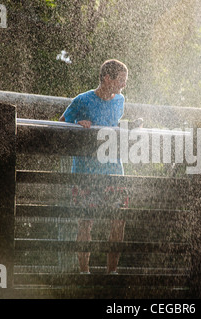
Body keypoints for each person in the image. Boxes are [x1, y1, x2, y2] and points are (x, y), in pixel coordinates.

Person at [59, 59, 129, 274]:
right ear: (107, 78)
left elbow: (113, 126)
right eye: (121, 80)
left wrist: (129, 128)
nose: (123, 85)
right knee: (85, 222)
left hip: (113, 170)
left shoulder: (120, 101)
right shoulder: (82, 100)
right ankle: (84, 272)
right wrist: (77, 124)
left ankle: (112, 272)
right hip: (86, 171)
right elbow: (60, 123)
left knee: (119, 219)